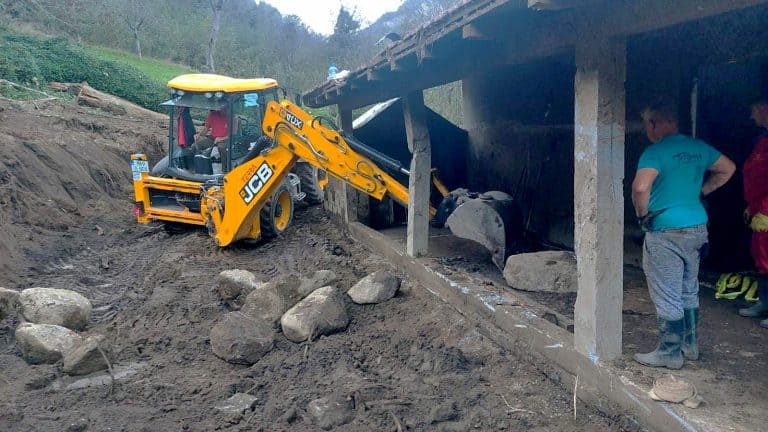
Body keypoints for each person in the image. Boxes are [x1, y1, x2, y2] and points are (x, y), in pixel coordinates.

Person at [631, 100, 736, 369]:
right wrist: (703, 191)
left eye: (647, 126)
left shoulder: (655, 152)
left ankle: (669, 351)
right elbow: (728, 168)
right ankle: (690, 345)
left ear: (653, 124)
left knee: (666, 290)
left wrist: (643, 215)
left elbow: (641, 187)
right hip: (697, 227)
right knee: (688, 286)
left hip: (666, 229)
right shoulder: (698, 147)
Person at [737, 97, 768, 328]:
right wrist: (753, 205)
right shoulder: (762, 140)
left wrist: (765, 210)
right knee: (762, 258)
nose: (750, 116)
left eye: (753, 111)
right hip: (759, 208)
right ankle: (764, 302)